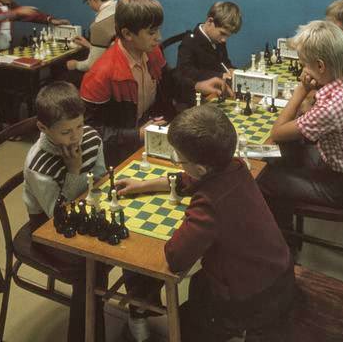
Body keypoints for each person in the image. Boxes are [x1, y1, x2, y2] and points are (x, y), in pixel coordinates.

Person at [115, 105, 295, 342]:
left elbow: (176, 257)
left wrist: (186, 220)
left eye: (180, 159)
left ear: (200, 168)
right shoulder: (236, 166)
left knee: (185, 323)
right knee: (199, 287)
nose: (178, 164)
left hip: (253, 300)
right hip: (279, 276)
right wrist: (142, 185)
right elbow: (188, 180)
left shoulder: (209, 203)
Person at [258, 20, 343, 251]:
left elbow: (277, 132)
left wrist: (301, 91)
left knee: (262, 178)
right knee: (284, 153)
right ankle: (287, 233)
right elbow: (311, 116)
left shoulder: (331, 108)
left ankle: (283, 248)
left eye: (305, 64)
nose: (303, 69)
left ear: (321, 66)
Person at [80, 0, 227, 166]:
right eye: (151, 32)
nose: (159, 37)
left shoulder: (153, 51)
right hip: (121, 153)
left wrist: (198, 85)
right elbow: (89, 131)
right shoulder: (101, 74)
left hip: (153, 134)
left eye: (158, 29)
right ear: (127, 34)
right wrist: (137, 134)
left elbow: (170, 83)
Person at [23, 82, 107, 342]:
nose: (76, 136)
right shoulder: (37, 164)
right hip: (48, 227)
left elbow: (101, 177)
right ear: (43, 128)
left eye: (80, 125)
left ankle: (133, 315)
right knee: (90, 266)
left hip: (85, 208)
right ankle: (85, 334)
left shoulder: (91, 137)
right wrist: (73, 171)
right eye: (66, 132)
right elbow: (56, 217)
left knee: (126, 242)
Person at [175, 1, 242, 105]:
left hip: (217, 91)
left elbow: (224, 63)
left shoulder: (218, 40)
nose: (224, 40)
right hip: (196, 98)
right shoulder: (190, 41)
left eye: (228, 36)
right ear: (210, 21)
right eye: (222, 33)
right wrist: (220, 75)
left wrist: (231, 70)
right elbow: (185, 72)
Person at [66, 0, 116, 74]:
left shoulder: (99, 26)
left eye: (86, 0)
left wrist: (75, 64)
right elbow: (112, 49)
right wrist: (90, 45)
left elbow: (92, 65)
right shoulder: (122, 8)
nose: (88, 4)